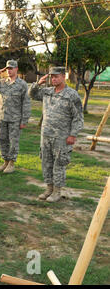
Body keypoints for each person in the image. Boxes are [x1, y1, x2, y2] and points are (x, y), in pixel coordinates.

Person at [28, 66, 84, 202]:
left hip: (62, 137)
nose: (53, 79)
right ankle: (49, 188)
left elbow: (78, 118)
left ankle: (57, 191)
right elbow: (32, 94)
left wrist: (73, 135)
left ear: (63, 77)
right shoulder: (47, 92)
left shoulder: (71, 95)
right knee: (46, 163)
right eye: (52, 76)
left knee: (59, 164)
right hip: (46, 135)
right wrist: (38, 83)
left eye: (56, 76)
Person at [0, 60, 31, 173]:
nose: (9, 70)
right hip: (2, 117)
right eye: (7, 68)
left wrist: (24, 120)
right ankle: (5, 162)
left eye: (11, 68)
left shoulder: (22, 84)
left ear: (16, 69)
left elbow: (26, 103)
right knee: (2, 140)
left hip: (15, 118)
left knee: (13, 141)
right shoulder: (2, 82)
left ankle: (11, 163)